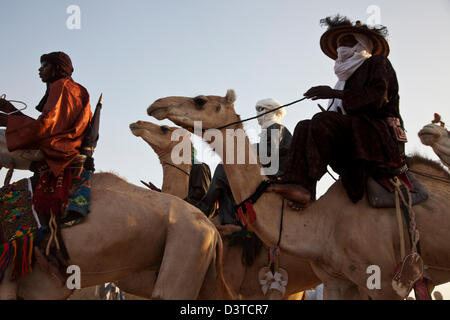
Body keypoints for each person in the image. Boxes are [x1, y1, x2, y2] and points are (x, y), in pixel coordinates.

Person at [268, 16, 406, 210]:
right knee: (303, 126)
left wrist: (332, 93)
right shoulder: (345, 79)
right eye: (339, 43)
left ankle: (304, 186)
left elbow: (376, 98)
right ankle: (301, 188)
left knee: (321, 121)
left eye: (346, 41)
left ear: (361, 43)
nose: (341, 47)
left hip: (379, 135)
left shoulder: (378, 63)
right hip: (356, 134)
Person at [0, 52, 92, 284]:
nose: (40, 70)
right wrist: (12, 113)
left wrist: (7, 119)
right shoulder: (76, 89)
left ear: (57, 67)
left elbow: (45, 128)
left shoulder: (61, 87)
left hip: (56, 150)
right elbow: (49, 125)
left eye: (44, 65)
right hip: (63, 146)